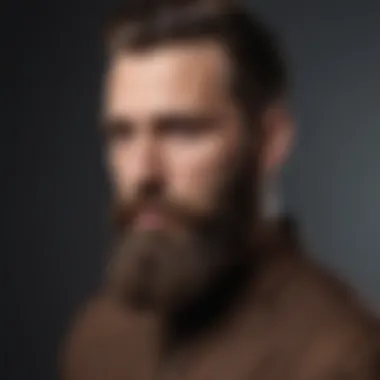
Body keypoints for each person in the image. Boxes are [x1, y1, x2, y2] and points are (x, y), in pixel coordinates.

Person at [60, 1, 379, 379]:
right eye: (122, 134)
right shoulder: (98, 335)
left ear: (270, 138)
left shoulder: (341, 356)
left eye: (182, 130)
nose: (143, 172)